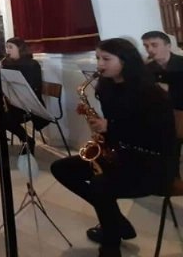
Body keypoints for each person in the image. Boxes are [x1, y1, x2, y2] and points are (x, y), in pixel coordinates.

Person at [51, 38, 177, 257]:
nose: (99, 64)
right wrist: (101, 128)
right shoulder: (108, 87)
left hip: (153, 162)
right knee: (61, 168)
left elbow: (157, 137)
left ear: (125, 60)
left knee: (101, 185)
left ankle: (111, 247)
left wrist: (111, 126)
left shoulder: (151, 93)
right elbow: (118, 124)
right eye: (98, 58)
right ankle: (117, 221)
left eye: (106, 59)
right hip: (121, 153)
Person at [0, 37, 46, 154]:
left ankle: (26, 140)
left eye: (11, 47)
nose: (8, 50)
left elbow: (32, 87)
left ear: (20, 48)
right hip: (10, 101)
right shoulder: (7, 63)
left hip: (27, 104)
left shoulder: (32, 64)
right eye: (7, 47)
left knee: (2, 115)